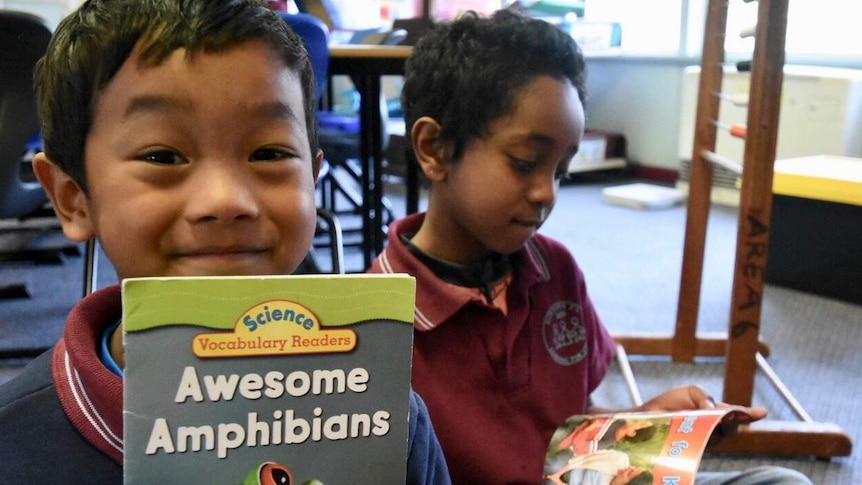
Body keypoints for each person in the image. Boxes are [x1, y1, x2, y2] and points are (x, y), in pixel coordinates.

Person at [0, 1, 449, 484]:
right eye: (163, 156)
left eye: (269, 152)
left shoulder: (387, 419)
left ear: (313, 180)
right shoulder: (16, 441)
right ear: (73, 199)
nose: (226, 200)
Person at [367, 9, 812, 485]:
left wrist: (646, 424)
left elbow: (578, 431)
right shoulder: (375, 321)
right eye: (525, 162)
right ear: (435, 148)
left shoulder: (554, 269)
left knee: (784, 483)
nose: (547, 193)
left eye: (561, 170)